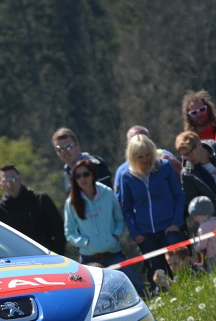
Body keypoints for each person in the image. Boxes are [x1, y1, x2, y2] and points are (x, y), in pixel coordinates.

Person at [63, 159, 146, 297]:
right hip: (88, 257)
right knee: (86, 295)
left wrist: (115, 236)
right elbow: (69, 232)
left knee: (136, 286)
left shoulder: (107, 193)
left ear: (93, 175)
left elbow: (119, 220)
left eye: (86, 174)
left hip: (113, 253)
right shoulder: (71, 202)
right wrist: (85, 243)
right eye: (78, 176)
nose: (82, 179)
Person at [117, 134, 186, 287]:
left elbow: (178, 196)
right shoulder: (125, 176)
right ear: (133, 157)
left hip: (170, 228)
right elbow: (127, 208)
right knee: (157, 275)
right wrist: (135, 233)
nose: (145, 159)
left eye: (148, 155)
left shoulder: (165, 167)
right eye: (140, 156)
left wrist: (176, 223)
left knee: (180, 270)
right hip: (145, 235)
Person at [0, 164, 66, 255]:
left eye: (13, 179)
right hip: (18, 261)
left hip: (46, 258)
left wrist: (56, 256)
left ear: (20, 179)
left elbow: (59, 231)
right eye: (5, 181)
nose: (10, 184)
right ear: (1, 185)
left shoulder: (41, 200)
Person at [114, 126, 181, 194]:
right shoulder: (123, 171)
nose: (145, 160)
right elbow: (121, 198)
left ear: (150, 140)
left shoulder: (165, 160)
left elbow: (180, 186)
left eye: (144, 139)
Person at [52, 127, 111, 193]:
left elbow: (106, 196)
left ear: (77, 144)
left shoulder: (95, 166)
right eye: (59, 149)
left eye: (68, 147)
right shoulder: (67, 175)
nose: (64, 152)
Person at [188, 196, 216, 271]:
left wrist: (194, 249)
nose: (194, 219)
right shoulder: (215, 221)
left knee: (214, 273)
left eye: (195, 216)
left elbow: (202, 245)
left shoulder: (203, 227)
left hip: (214, 255)